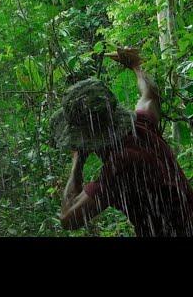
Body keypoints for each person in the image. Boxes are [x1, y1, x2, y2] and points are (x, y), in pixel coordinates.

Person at [58, 47, 193, 236]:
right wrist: (136, 65)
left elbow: (68, 219)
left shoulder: (120, 164)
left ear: (87, 139)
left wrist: (77, 161)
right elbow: (150, 95)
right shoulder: (140, 124)